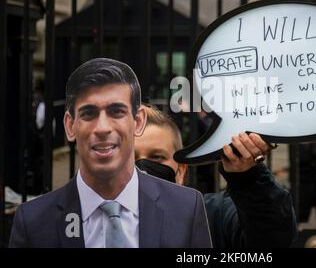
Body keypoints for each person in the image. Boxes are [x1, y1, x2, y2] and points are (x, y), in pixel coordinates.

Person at [9, 58, 212, 248]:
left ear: (138, 121)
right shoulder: (32, 222)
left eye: (117, 112)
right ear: (70, 126)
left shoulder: (187, 209)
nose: (103, 128)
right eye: (89, 113)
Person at [134, 105, 297, 248]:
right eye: (129, 158)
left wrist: (248, 178)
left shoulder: (210, 216)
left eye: (156, 157)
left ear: (181, 171)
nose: (143, 168)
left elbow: (271, 238)